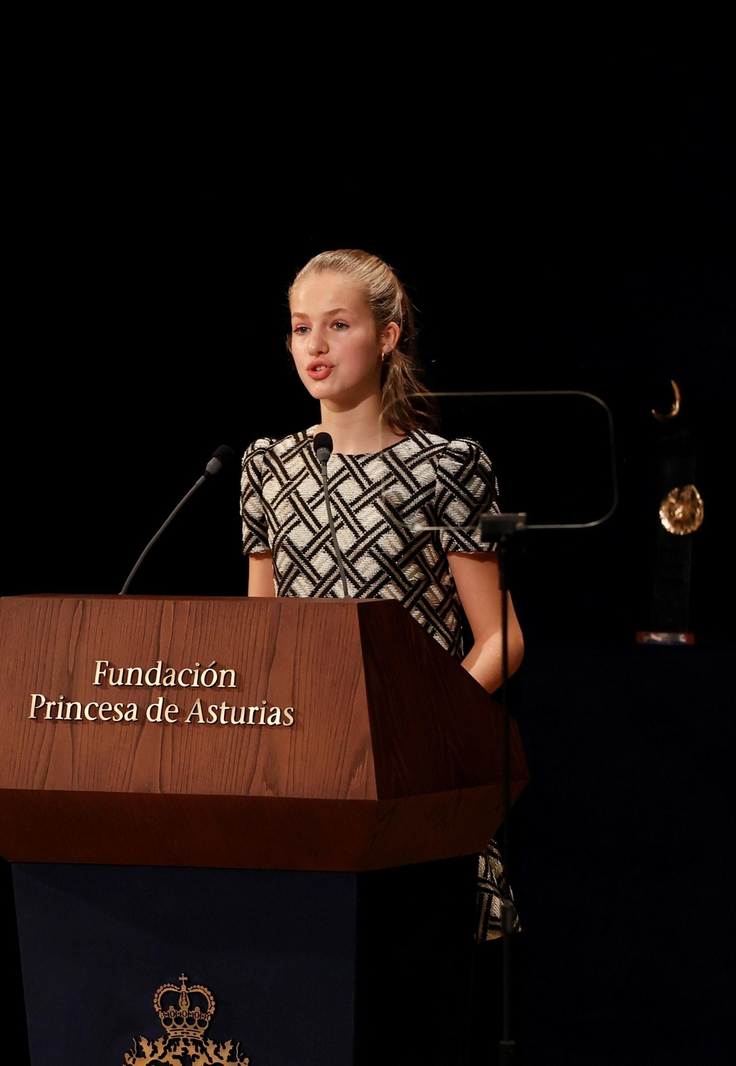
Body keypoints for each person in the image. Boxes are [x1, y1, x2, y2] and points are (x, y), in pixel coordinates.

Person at [240, 248, 524, 1060]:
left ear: (389, 336)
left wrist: (419, 731)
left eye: (338, 325)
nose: (315, 345)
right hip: (303, 779)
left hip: (412, 786)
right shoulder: (268, 467)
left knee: (405, 1022)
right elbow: (260, 634)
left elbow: (502, 637)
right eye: (301, 328)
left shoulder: (445, 468)